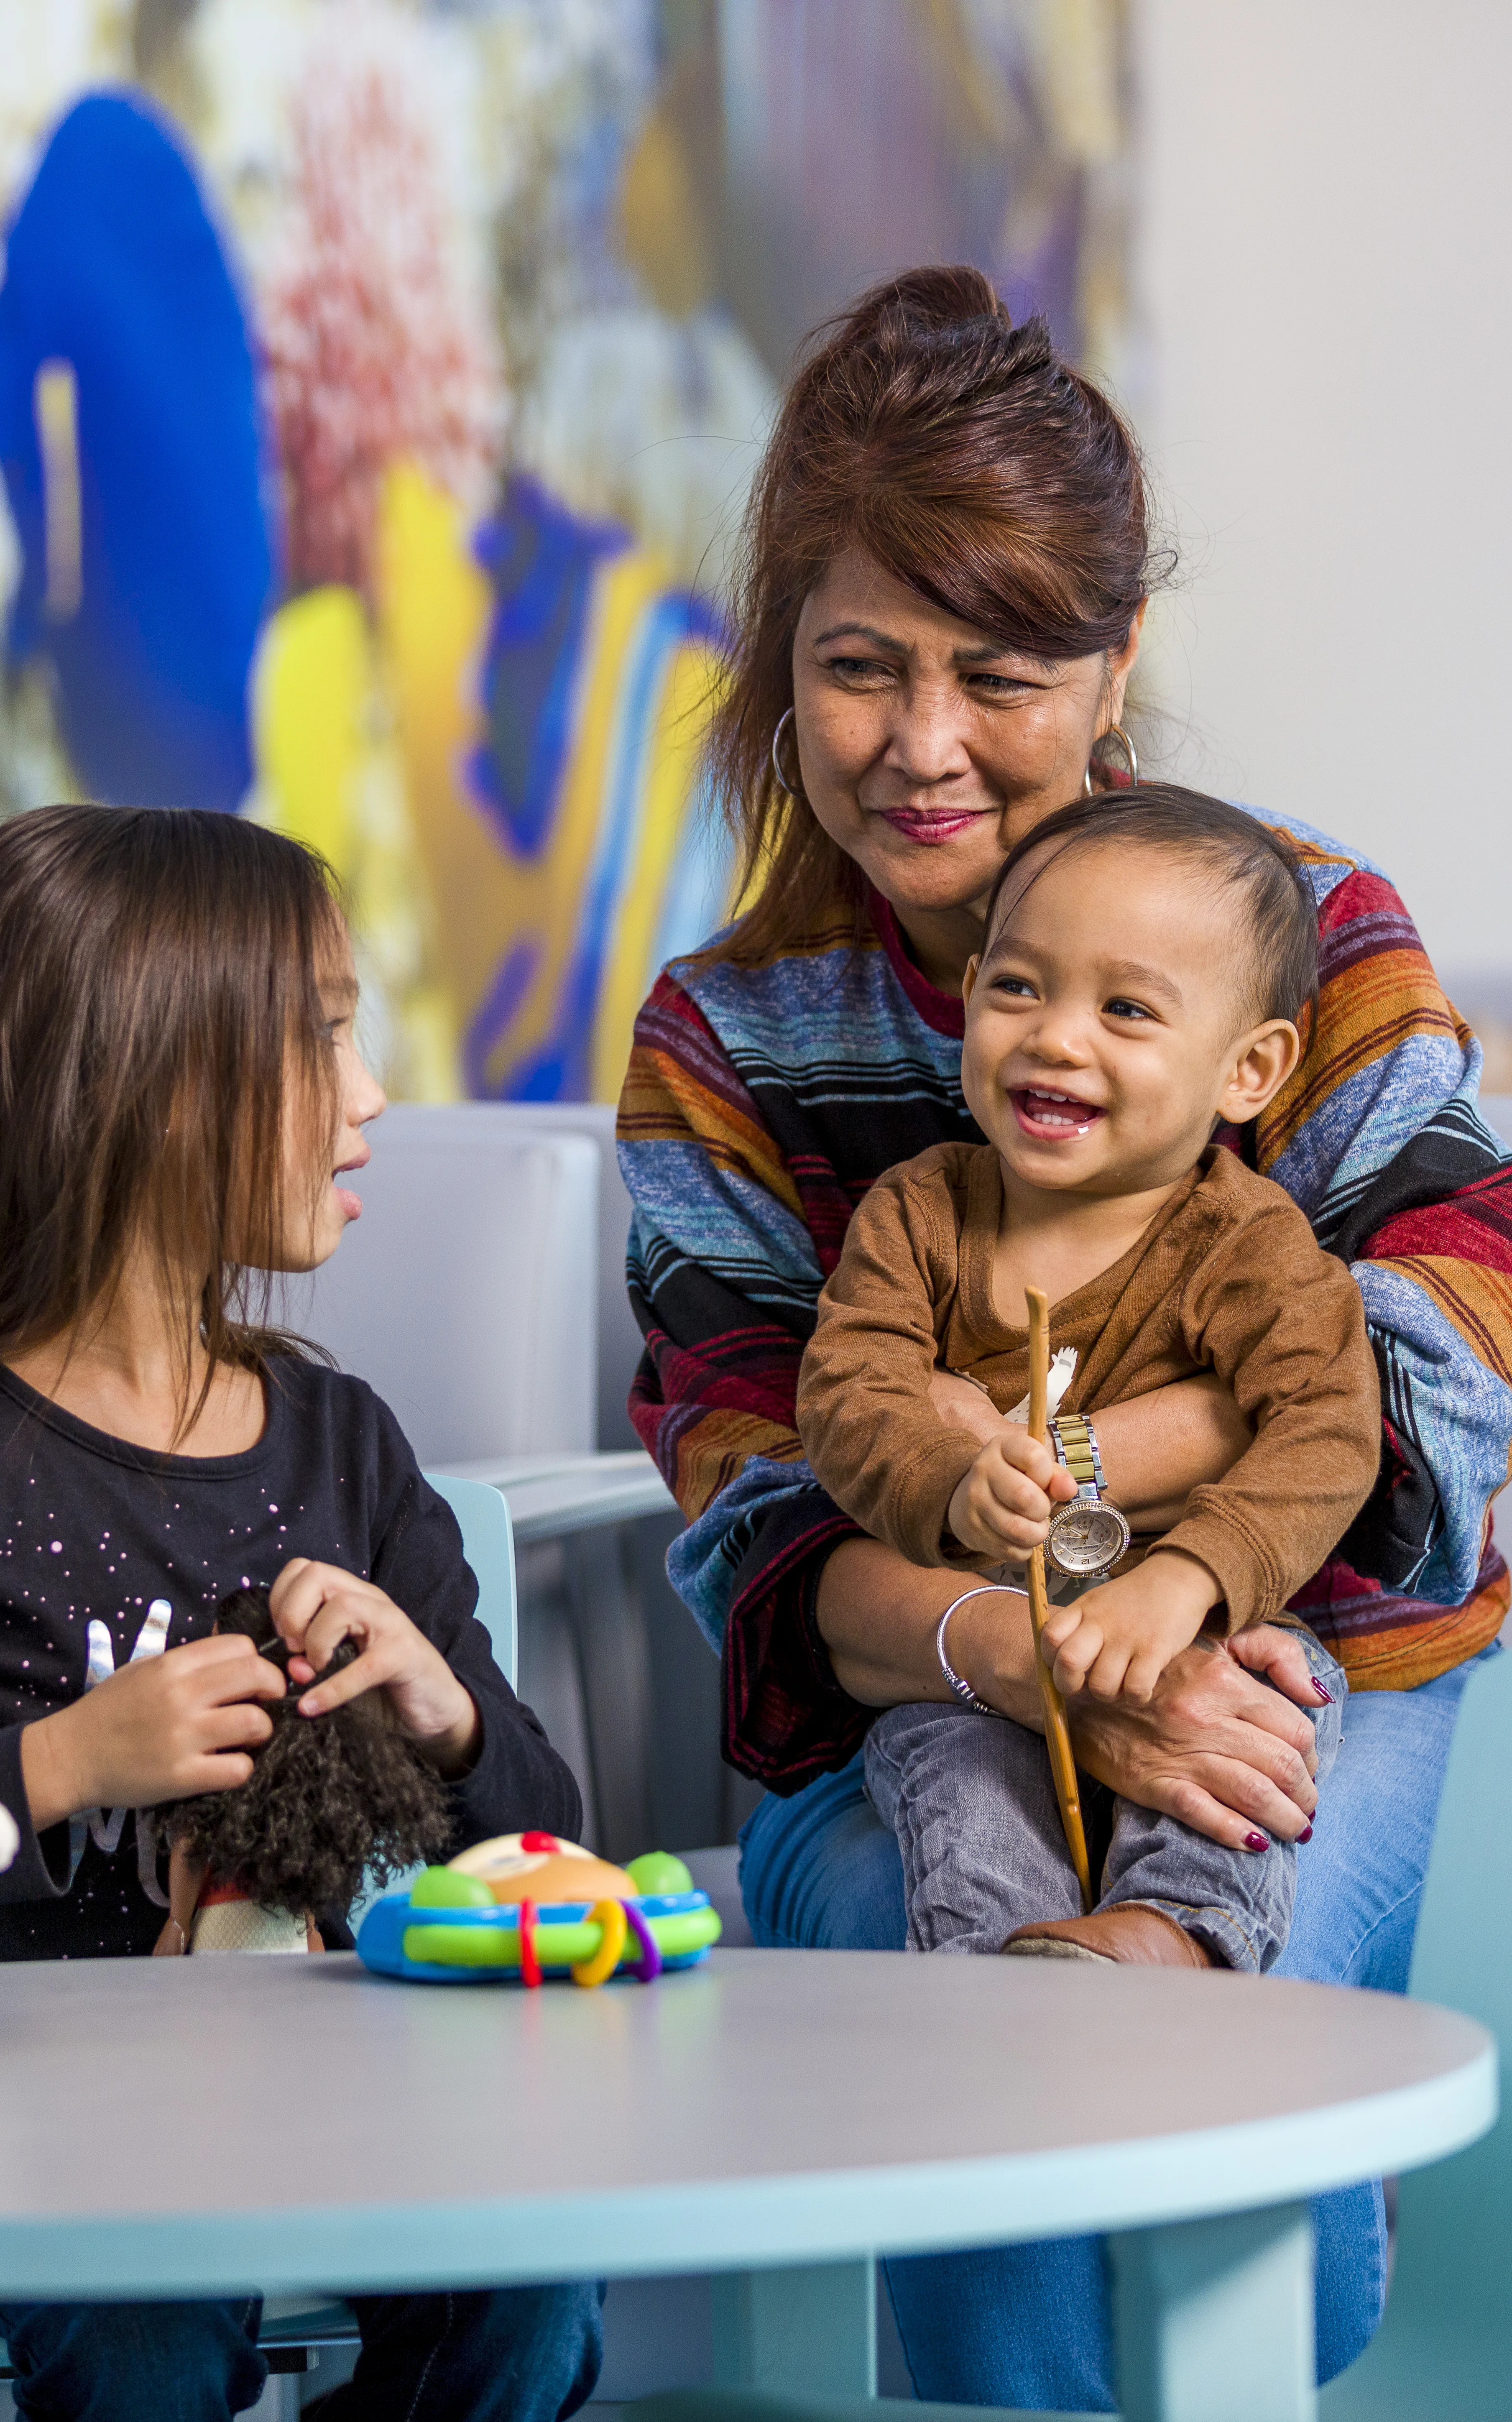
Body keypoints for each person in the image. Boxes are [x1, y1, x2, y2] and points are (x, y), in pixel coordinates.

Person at [618, 265, 1512, 2407]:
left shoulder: (1305, 934)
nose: (920, 746)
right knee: (1007, 2077)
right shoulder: (725, 1038)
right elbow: (754, 1510)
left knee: (1241, 2239)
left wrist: (1142, 1558)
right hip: (913, 1699)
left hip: (1299, 1655)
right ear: (784, 673)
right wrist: (1025, 1650)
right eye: (856, 669)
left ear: (1112, 663)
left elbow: (1453, 1349)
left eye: (996, 671)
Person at [0, 803, 601, 2422]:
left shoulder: (344, 1440)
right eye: (322, 1039)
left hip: (343, 2096)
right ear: (136, 1084)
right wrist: (58, 1763)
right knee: (146, 2322)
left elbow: (551, 1839)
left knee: (531, 2289)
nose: (372, 1097)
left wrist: (446, 1703)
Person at [796, 789, 1375, 1971]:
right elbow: (848, 1388)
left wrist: (1188, 1583)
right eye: (1019, 987)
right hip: (976, 1661)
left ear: (1250, 1070)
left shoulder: (1249, 1246)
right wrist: (957, 1472)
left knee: (1273, 1722)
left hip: (1207, 1639)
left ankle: (1170, 1940)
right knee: (951, 1773)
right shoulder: (921, 1212)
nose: (1057, 1037)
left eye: (1126, 1008)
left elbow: (1328, 1431)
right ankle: (1006, 1985)